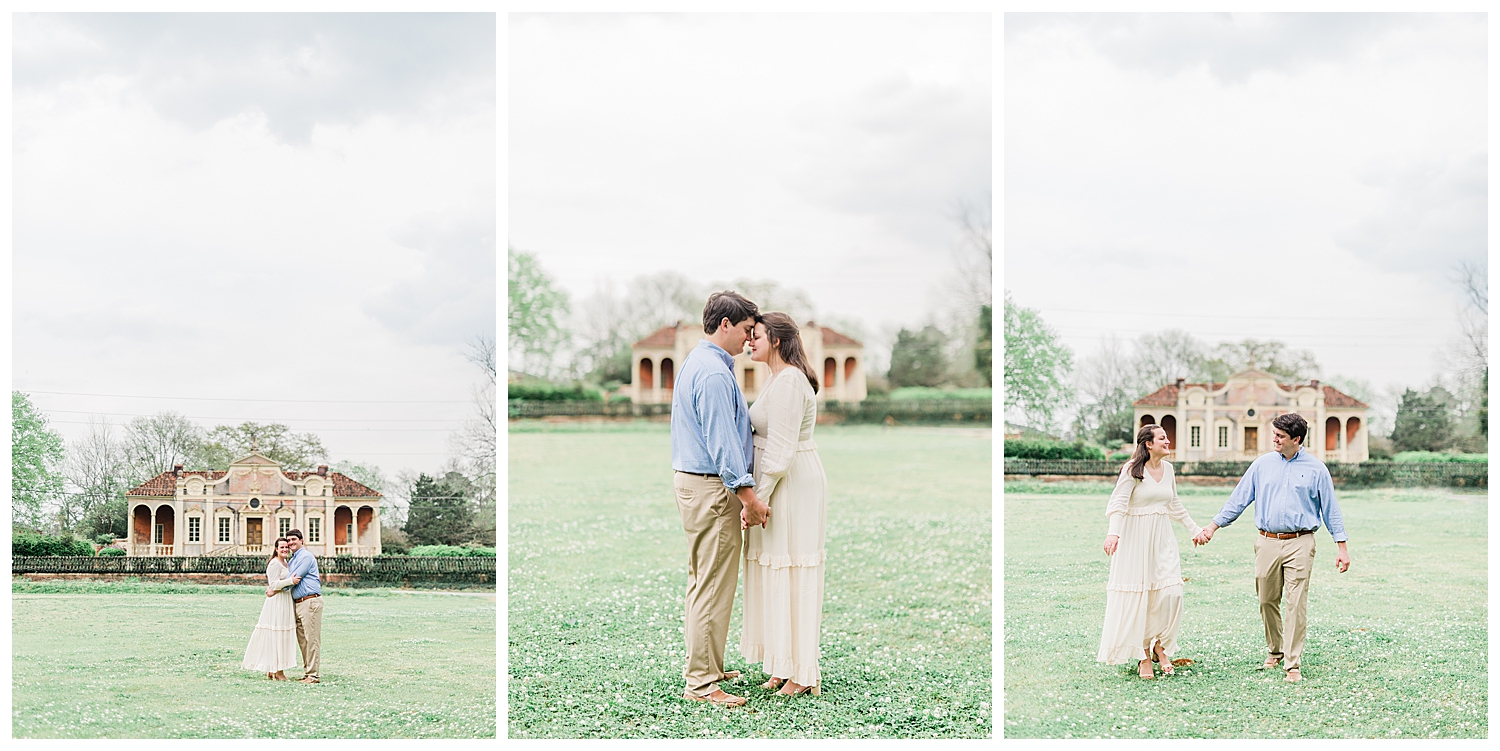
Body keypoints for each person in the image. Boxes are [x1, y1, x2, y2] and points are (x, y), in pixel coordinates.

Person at [1192, 413, 1350, 683]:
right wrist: (1213, 526)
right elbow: (1239, 499)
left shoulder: (1316, 469)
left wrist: (1342, 547)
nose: (1274, 439)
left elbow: (1330, 509)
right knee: (1266, 600)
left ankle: (1292, 663)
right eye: (1274, 434)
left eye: (1280, 436)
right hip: (1266, 541)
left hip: (1301, 542)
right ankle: (1275, 650)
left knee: (1295, 603)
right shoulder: (1261, 465)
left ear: (1296, 439)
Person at [671, 290, 771, 708]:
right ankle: (701, 683)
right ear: (725, 324)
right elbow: (723, 443)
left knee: (706, 582)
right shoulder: (712, 373)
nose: (751, 340)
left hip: (699, 485)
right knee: (712, 585)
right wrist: (749, 497)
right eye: (747, 330)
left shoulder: (704, 363)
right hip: (712, 487)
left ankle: (707, 665)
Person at [740, 312, 827, 697]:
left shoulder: (790, 379)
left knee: (792, 571)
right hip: (779, 484)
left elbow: (781, 451)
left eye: (755, 335)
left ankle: (802, 673)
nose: (749, 341)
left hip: (790, 485)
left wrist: (758, 497)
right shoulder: (777, 378)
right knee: (775, 571)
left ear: (775, 339)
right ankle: (780, 663)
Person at [1098, 424, 1202, 679]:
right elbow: (1119, 503)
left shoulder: (1168, 469)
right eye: (1163, 438)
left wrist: (1193, 529)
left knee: (1171, 593)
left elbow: (1174, 503)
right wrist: (1114, 532)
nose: (1168, 442)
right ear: (1148, 444)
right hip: (1135, 540)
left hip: (1162, 538)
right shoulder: (1133, 469)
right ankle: (1144, 655)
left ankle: (1160, 645)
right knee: (1142, 596)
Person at [241, 536, 301, 680]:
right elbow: (273, 584)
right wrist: (290, 581)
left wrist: (287, 583)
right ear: (276, 549)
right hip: (277, 603)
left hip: (285, 600)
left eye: (286, 547)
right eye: (282, 547)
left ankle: (273, 669)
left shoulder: (286, 563)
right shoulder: (274, 563)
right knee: (276, 635)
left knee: (282, 635)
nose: (285, 549)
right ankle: (278, 671)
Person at [284, 529, 324, 684]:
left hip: (310, 601)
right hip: (298, 603)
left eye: (294, 539)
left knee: (312, 639)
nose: (291, 542)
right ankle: (308, 672)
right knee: (303, 641)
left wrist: (275, 587)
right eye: (288, 540)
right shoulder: (293, 559)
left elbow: (294, 578)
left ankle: (313, 675)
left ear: (302, 540)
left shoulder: (306, 557)